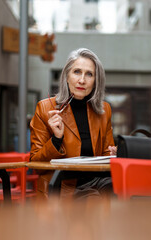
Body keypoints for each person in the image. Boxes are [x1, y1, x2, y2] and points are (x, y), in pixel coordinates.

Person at [30, 48, 117, 199]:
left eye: (89, 74)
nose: (82, 80)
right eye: (77, 72)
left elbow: (105, 157)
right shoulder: (45, 109)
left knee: (125, 191)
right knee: (94, 199)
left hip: (97, 183)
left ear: (96, 81)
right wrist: (56, 139)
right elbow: (36, 165)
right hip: (63, 187)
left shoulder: (104, 110)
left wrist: (114, 155)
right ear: (66, 76)